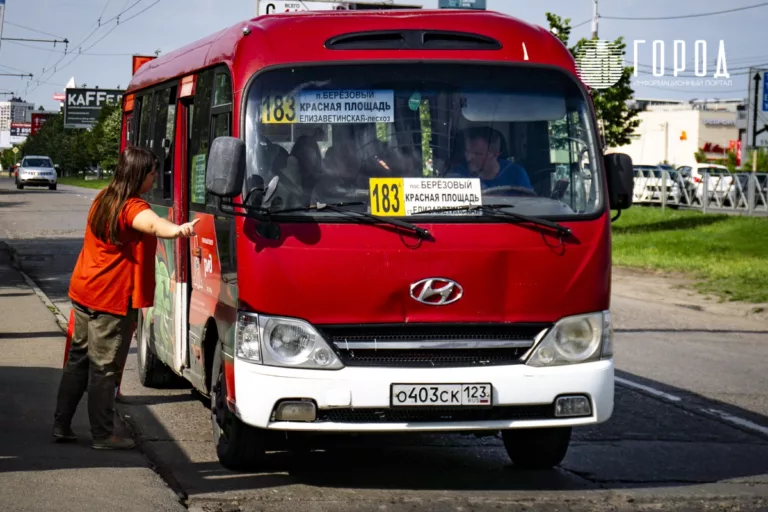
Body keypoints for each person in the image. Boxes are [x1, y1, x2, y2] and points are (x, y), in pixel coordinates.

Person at [52, 146, 199, 450]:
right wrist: (180, 229)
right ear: (139, 174)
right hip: (110, 299)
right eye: (152, 172)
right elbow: (153, 224)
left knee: (77, 363)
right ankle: (103, 435)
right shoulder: (131, 207)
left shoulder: (103, 197)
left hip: (84, 289)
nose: (155, 176)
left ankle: (61, 425)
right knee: (103, 369)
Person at [450, 127, 534, 191]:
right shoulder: (457, 175)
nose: (469, 158)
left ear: (495, 154)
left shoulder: (516, 174)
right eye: (467, 152)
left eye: (476, 154)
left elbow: (530, 206)